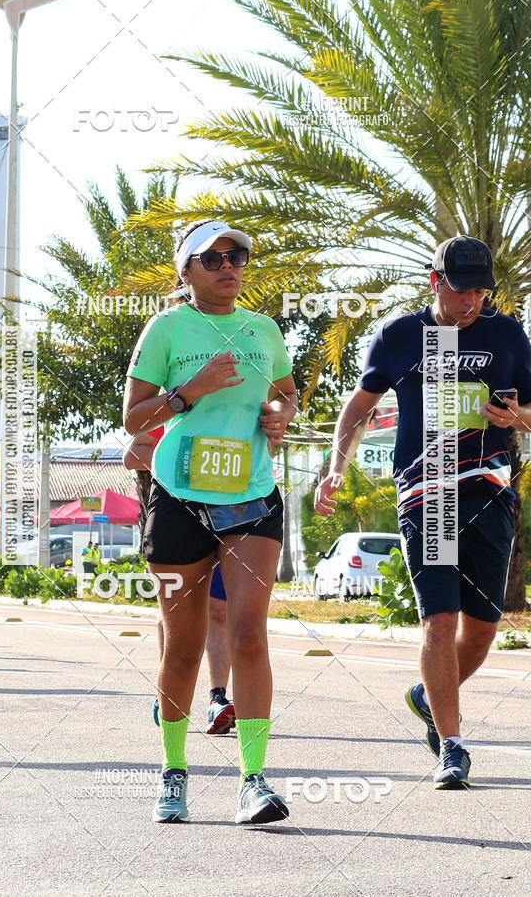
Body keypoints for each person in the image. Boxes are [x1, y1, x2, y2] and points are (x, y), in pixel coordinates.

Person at [314, 236, 531, 790]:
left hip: (490, 492)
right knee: (440, 619)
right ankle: (452, 747)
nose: (471, 302)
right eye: (461, 291)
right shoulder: (399, 335)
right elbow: (359, 405)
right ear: (435, 283)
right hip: (426, 493)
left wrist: (517, 418)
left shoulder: (507, 334)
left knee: (481, 631)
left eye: (480, 292)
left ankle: (427, 697)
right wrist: (336, 467)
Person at [123, 218, 297, 823]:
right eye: (213, 258)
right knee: (184, 648)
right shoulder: (167, 328)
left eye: (236, 256)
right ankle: (173, 771)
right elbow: (134, 419)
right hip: (179, 495)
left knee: (249, 634)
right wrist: (188, 391)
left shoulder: (264, 329)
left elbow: (285, 393)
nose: (229, 266)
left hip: (251, 495)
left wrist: (278, 414)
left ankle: (253, 780)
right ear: (186, 270)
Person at [123, 430, 235, 735]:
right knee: (174, 611)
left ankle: (218, 699)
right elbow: (131, 455)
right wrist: (183, 462)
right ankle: (168, 691)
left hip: (230, 515)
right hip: (177, 517)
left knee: (218, 610)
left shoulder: (239, 408)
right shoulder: (174, 410)